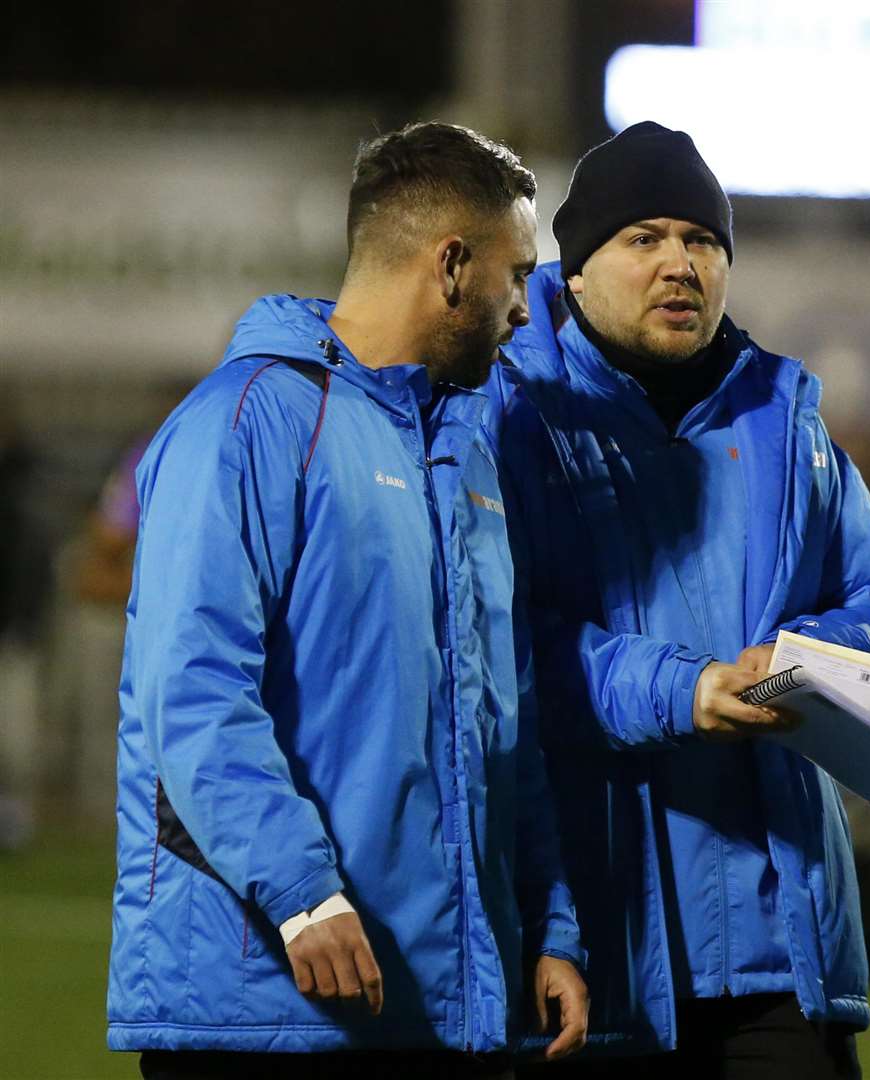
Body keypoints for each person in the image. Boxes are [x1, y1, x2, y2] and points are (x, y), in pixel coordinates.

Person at [108, 122, 588, 1080]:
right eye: (514, 273)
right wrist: (303, 895)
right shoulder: (241, 424)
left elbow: (505, 728)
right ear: (450, 266)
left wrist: (549, 925)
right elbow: (195, 694)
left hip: (438, 1006)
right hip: (267, 997)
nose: (526, 313)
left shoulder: (464, 456)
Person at [492, 122, 870, 1077]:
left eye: (702, 240)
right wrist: (675, 690)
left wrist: (806, 659)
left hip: (780, 948)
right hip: (599, 939)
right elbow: (497, 647)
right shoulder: (510, 416)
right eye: (643, 238)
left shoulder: (788, 419)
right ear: (579, 267)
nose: (679, 263)